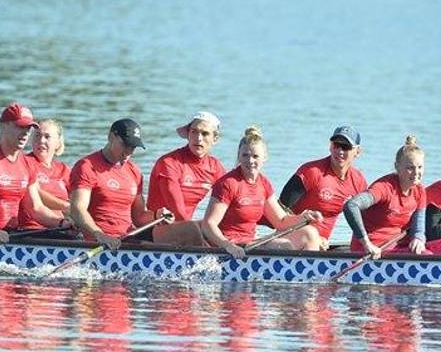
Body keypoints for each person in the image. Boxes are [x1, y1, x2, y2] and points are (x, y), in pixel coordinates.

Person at [200, 126, 324, 259]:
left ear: (264, 158)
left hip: (251, 241)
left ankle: (310, 276)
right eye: (245, 155)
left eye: (255, 156)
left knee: (310, 233)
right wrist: (227, 245)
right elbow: (208, 225)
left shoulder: (263, 183)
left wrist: (305, 217)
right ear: (239, 157)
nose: (250, 161)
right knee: (284, 245)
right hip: (232, 246)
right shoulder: (228, 184)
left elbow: (280, 221)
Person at [0, 104, 68, 242]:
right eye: (20, 127)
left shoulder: (27, 163)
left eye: (28, 129)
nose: (25, 133)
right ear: (3, 126)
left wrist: (61, 223)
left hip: (12, 236)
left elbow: (36, 208)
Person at [67, 118, 171, 250]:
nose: (129, 151)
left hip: (126, 239)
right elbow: (77, 209)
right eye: (125, 144)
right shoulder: (87, 166)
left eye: (133, 147)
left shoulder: (135, 172)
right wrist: (99, 234)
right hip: (98, 242)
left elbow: (138, 217)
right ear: (111, 136)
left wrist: (157, 215)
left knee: (187, 231)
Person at [277, 125, 368, 249]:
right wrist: (313, 236)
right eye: (336, 145)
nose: (340, 151)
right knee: (311, 236)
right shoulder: (312, 171)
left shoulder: (358, 181)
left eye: (346, 147)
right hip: (292, 238)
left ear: (357, 152)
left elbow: (367, 219)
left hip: (322, 244)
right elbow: (280, 208)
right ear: (330, 147)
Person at [341, 135, 430, 258]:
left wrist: (418, 239)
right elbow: (351, 206)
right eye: (410, 168)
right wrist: (367, 244)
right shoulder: (384, 188)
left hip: (397, 247)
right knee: (428, 255)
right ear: (397, 167)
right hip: (372, 251)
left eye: (420, 167)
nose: (416, 173)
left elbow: (418, 229)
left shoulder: (420, 191)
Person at [146, 111, 225, 246]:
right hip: (154, 228)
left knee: (223, 224)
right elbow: (177, 211)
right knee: (193, 228)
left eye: (205, 133)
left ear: (215, 138)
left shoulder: (215, 167)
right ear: (188, 134)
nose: (198, 138)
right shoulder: (169, 163)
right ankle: (211, 262)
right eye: (194, 132)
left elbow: (233, 199)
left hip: (185, 228)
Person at [17, 120, 73, 231]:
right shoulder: (24, 162)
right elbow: (37, 194)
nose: (41, 141)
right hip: (32, 229)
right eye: (37, 136)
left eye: (47, 137)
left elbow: (79, 199)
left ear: (57, 142)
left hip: (62, 228)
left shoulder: (64, 169)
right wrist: (69, 207)